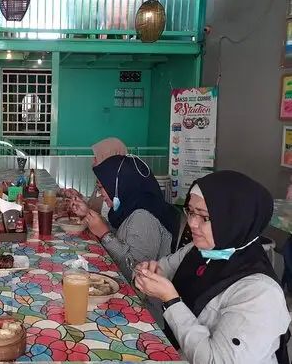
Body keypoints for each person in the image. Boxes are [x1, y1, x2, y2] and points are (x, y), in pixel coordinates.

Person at [134, 171, 290, 364]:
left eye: (204, 217)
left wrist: (171, 301)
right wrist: (146, 274)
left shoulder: (260, 292)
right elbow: (162, 270)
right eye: (190, 211)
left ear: (234, 220)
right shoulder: (200, 250)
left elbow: (217, 360)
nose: (191, 223)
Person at [72, 155, 178, 282]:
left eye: (101, 187)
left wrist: (105, 235)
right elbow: (122, 235)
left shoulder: (143, 218)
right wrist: (87, 213)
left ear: (118, 185)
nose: (100, 193)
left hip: (142, 298)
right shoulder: (130, 206)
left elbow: (134, 273)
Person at [88, 138, 128, 213]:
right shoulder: (101, 180)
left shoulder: (116, 187)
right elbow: (92, 204)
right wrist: (80, 197)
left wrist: (86, 211)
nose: (93, 162)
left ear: (109, 158)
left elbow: (106, 218)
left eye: (96, 158)